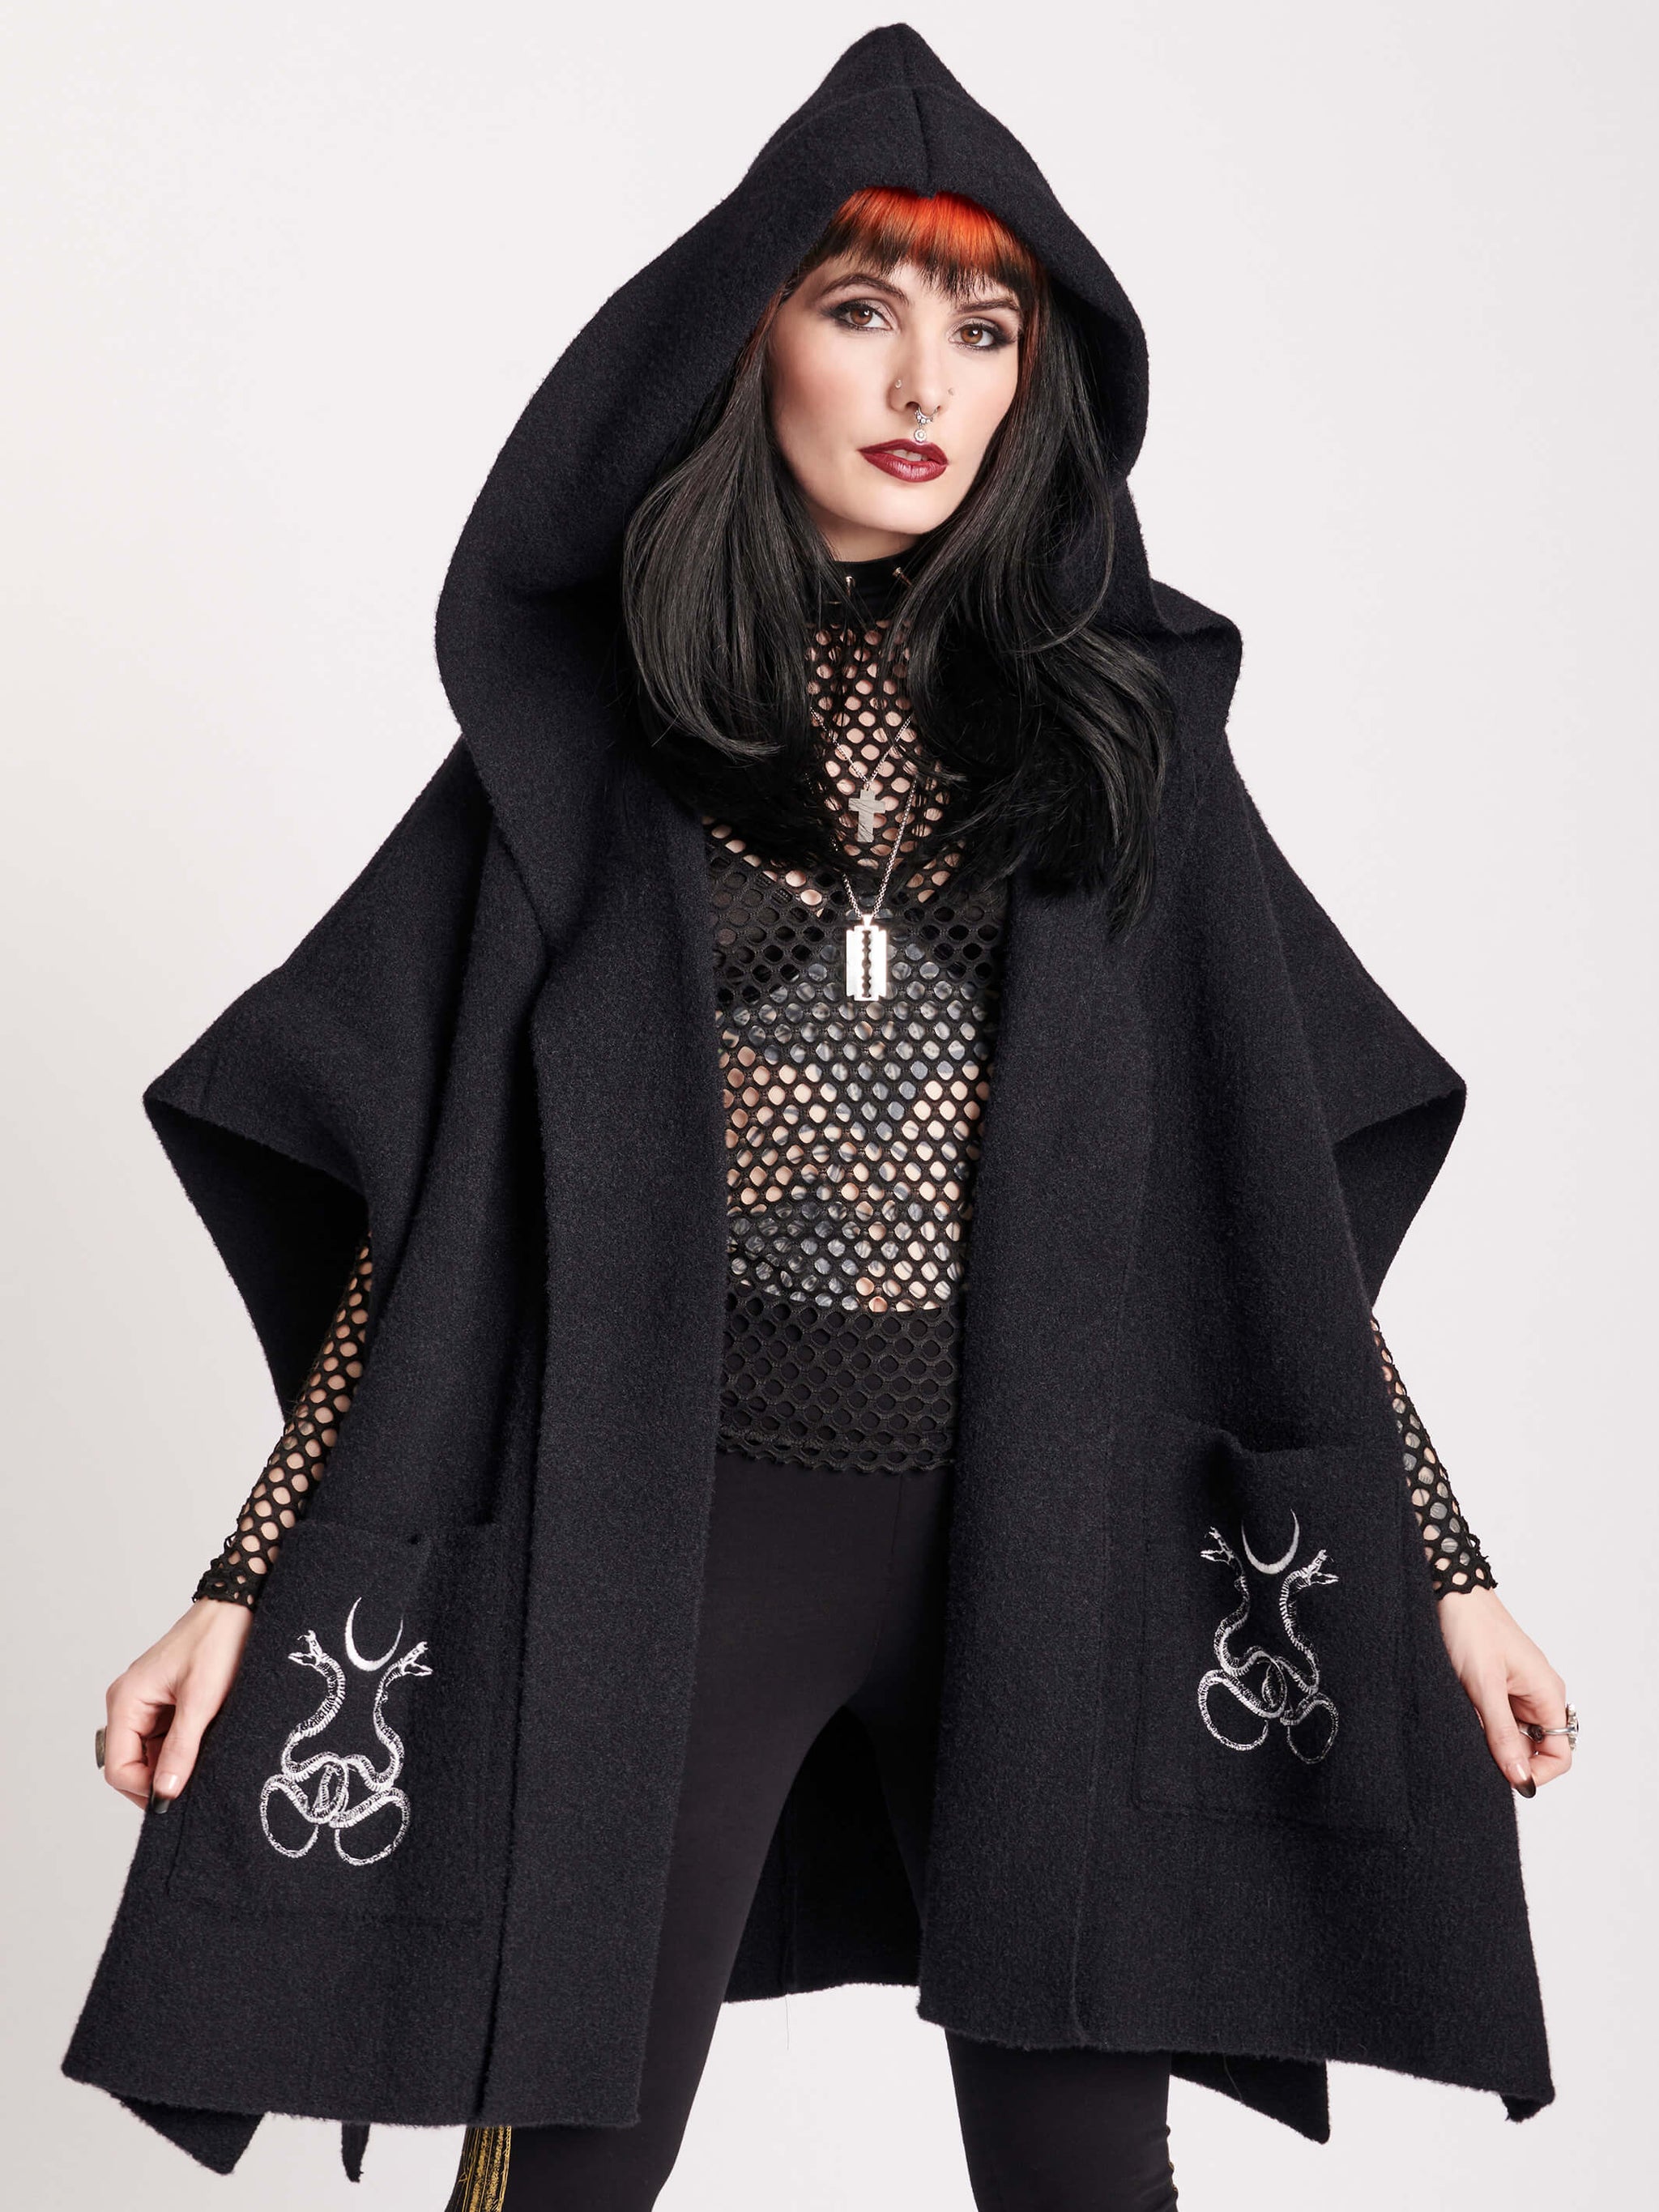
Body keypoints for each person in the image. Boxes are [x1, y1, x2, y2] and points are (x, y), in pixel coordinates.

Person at [66, 27, 1570, 2210]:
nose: (926, 382)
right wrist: (251, 1578)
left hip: (1050, 1544)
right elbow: (443, 1205)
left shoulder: (1126, 742)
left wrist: (1445, 1568)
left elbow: (1255, 1204)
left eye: (987, 328)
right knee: (567, 2159)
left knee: (1087, 2177)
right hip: (677, 1542)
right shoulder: (590, 749)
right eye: (863, 307)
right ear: (748, 336)